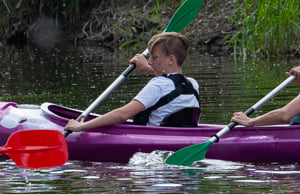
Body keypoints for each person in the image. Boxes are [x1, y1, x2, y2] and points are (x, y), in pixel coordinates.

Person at [64, 32, 200, 132]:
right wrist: (147, 68)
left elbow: (123, 114)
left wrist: (81, 126)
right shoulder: (192, 84)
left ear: (171, 59)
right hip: (187, 137)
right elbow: (174, 81)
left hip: (154, 142)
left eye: (154, 57)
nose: (150, 62)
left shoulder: (157, 85)